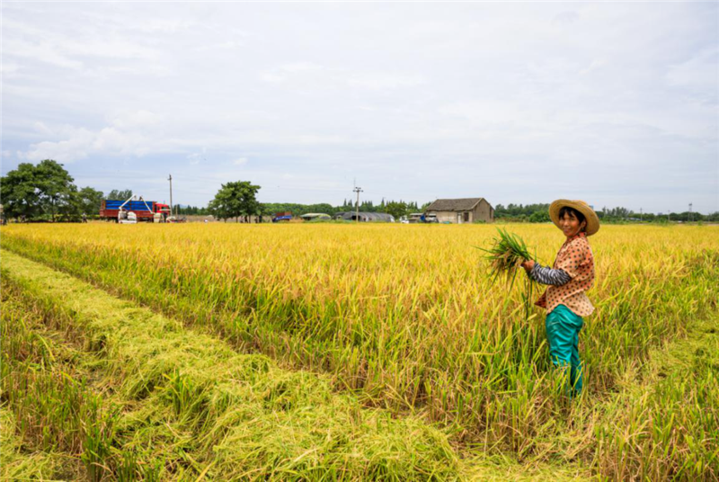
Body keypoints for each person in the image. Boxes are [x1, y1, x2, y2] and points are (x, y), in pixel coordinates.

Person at [521, 200, 599, 397]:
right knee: (571, 357)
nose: (565, 223)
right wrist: (536, 269)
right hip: (572, 310)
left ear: (582, 223)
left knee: (560, 360)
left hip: (562, 310)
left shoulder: (577, 245)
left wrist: (534, 269)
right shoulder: (575, 242)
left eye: (571, 219)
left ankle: (561, 400)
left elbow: (560, 277)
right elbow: (561, 273)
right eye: (563, 218)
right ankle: (576, 398)